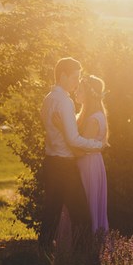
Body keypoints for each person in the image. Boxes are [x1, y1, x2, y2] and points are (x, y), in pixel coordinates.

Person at [38, 57, 103, 249]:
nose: (77, 82)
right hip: (64, 167)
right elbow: (73, 140)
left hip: (51, 163)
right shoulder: (65, 102)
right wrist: (97, 145)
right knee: (81, 216)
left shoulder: (48, 99)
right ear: (63, 76)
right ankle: (84, 260)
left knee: (51, 214)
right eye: (75, 77)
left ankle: (42, 256)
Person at [73, 74, 109, 234]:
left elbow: (82, 149)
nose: (75, 92)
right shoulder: (91, 115)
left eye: (79, 89)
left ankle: (86, 244)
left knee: (86, 202)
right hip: (93, 162)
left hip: (87, 165)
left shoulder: (93, 119)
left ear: (88, 94)